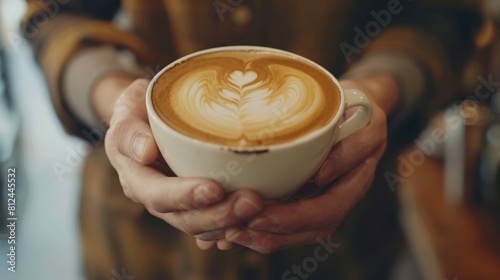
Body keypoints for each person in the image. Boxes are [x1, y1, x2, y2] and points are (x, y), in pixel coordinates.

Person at [21, 0, 483, 279]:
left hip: (344, 251)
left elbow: (442, 16)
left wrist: (379, 90)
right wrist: (116, 99)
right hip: (142, 252)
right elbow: (54, 17)